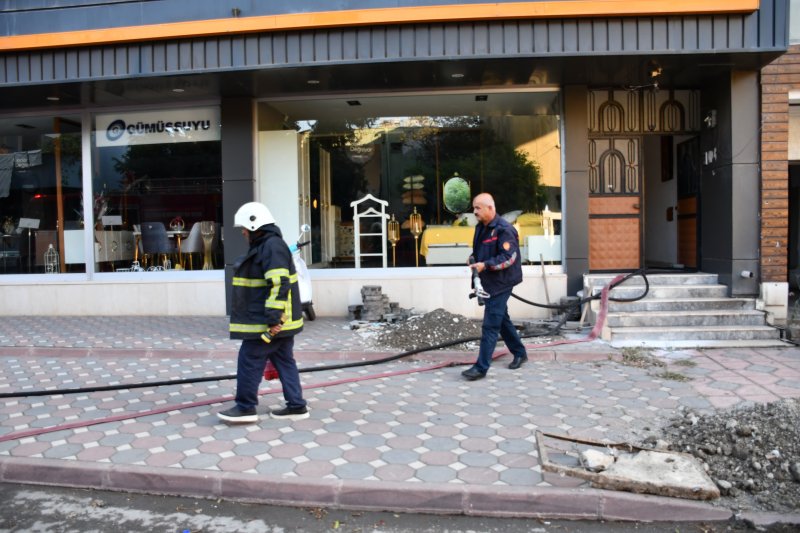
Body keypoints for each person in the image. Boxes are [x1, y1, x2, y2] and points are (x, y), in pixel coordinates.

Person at [217, 202, 309, 423]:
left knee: (249, 360)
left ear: (254, 224)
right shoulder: (269, 245)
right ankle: (296, 406)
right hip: (279, 322)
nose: (242, 232)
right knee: (284, 360)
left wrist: (273, 319)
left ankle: (245, 408)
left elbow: (279, 283)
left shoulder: (271, 246)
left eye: (245, 228)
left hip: (270, 323)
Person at [461, 192, 528, 381]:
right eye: (474, 208)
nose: (474, 212)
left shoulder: (504, 230)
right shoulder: (481, 228)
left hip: (503, 282)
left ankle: (481, 367)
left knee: (490, 325)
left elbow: (509, 258)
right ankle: (520, 352)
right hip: (489, 281)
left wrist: (485, 265)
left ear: (490, 208)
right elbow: (481, 251)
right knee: (502, 320)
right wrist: (474, 258)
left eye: (478, 208)